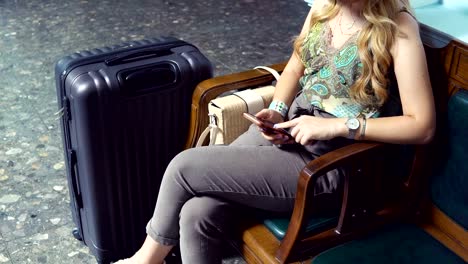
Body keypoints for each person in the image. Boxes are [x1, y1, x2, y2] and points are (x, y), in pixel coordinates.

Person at [116, 0, 435, 263]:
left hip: (332, 163)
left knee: (183, 168)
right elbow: (296, 67)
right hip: (291, 129)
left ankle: (144, 260)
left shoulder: (398, 27)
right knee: (198, 214)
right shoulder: (325, 8)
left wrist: (335, 125)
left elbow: (421, 125)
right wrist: (278, 111)